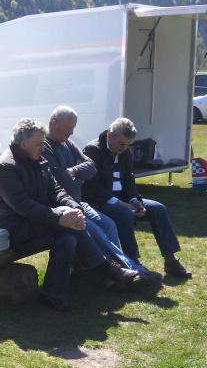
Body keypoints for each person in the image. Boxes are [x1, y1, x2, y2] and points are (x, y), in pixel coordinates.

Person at [0, 118, 140, 312]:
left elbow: (57, 191)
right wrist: (60, 218)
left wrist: (75, 208)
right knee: (68, 229)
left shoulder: (38, 160)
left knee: (68, 237)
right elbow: (23, 206)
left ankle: (53, 294)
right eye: (39, 144)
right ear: (23, 144)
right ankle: (106, 269)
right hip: (15, 229)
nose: (43, 148)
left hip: (37, 223)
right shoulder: (6, 167)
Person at [41, 106, 161, 287]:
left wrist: (73, 172)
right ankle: (129, 274)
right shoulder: (45, 147)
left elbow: (91, 167)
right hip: (63, 206)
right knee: (97, 230)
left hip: (78, 202)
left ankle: (116, 273)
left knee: (109, 225)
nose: (71, 132)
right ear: (54, 124)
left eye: (73, 128)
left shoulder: (68, 144)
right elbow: (63, 181)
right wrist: (78, 178)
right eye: (68, 128)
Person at [82, 118, 192, 279]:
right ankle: (133, 263)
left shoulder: (125, 152)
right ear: (110, 135)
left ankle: (170, 260)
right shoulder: (92, 150)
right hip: (100, 202)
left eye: (128, 144)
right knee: (124, 213)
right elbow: (91, 187)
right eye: (121, 143)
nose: (125, 148)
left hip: (122, 200)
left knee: (158, 209)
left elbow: (129, 180)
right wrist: (120, 203)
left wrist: (134, 200)